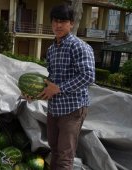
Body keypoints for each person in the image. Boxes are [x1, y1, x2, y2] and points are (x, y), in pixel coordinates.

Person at [34, 4, 95, 170]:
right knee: (54, 150)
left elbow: (88, 76)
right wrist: (33, 94)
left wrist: (59, 88)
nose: (58, 25)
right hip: (54, 109)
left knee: (65, 156)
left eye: (63, 21)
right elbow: (51, 81)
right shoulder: (52, 49)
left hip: (73, 109)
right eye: (55, 21)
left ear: (72, 23)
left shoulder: (79, 46)